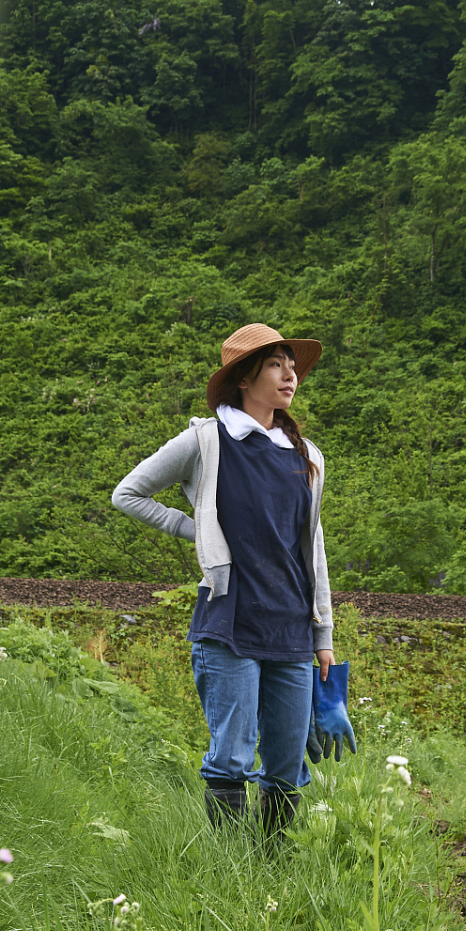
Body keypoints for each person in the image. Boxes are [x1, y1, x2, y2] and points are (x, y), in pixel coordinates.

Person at [111, 324, 335, 833]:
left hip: (292, 628)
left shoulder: (308, 456)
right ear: (243, 377)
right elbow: (128, 494)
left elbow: (313, 549)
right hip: (230, 620)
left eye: (291, 364)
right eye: (276, 364)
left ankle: (272, 867)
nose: (290, 374)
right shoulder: (207, 440)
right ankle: (228, 871)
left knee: (286, 764)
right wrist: (197, 531)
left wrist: (323, 636)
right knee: (230, 758)